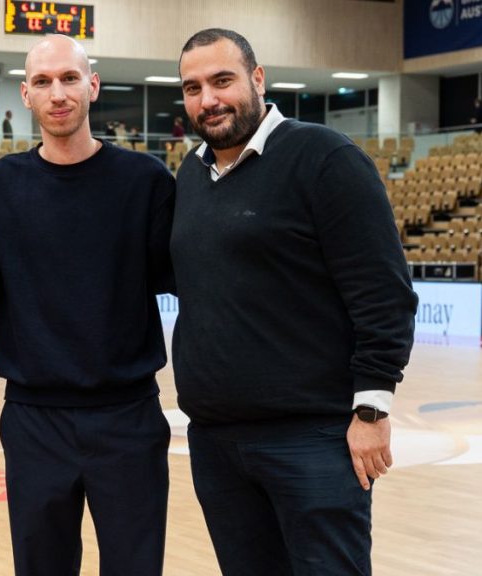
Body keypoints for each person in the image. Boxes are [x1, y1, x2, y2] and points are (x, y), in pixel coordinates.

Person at [173, 28, 418, 575]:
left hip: (313, 440)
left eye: (222, 80)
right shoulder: (191, 174)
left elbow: (384, 293)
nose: (207, 99)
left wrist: (373, 410)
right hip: (216, 443)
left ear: (257, 80)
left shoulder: (325, 158)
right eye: (192, 88)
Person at [0, 34, 175, 575]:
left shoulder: (145, 181)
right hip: (34, 421)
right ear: (26, 95)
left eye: (69, 79)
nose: (58, 93)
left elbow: (196, 284)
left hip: (129, 418)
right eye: (43, 82)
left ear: (92, 86)